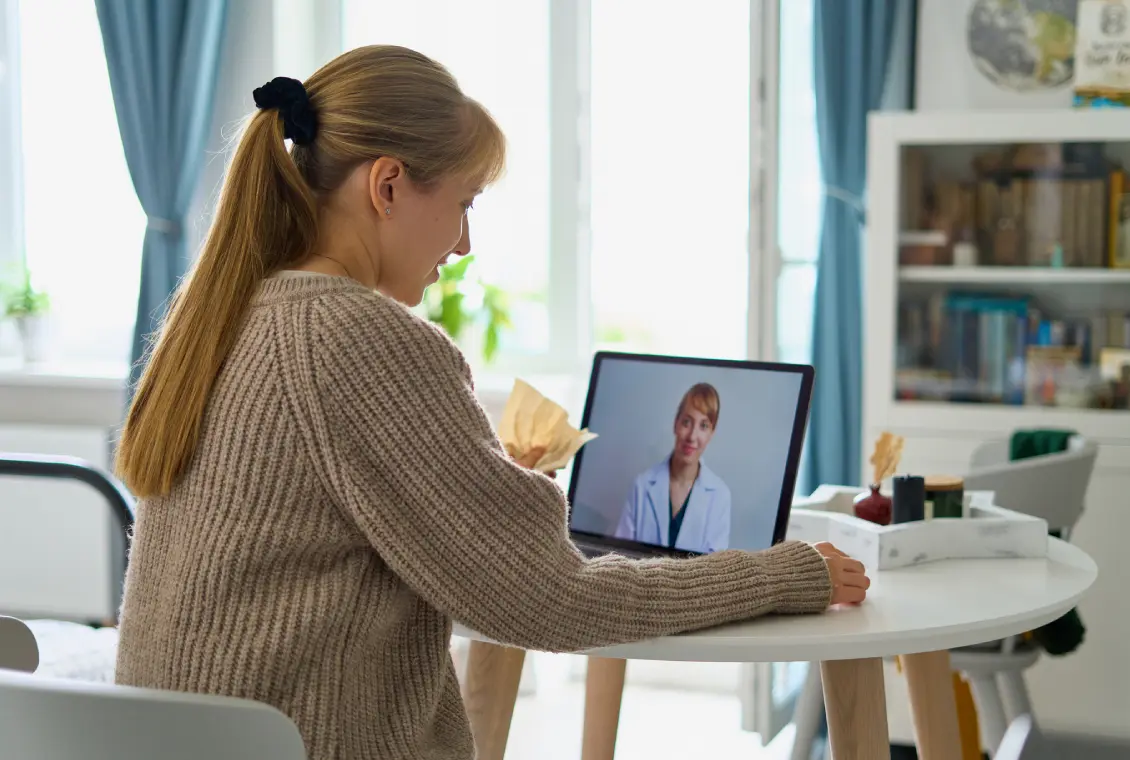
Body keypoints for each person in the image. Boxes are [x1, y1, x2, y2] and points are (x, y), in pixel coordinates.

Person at [112, 45, 869, 760]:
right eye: (464, 202)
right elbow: (552, 601)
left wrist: (487, 489)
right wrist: (783, 575)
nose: (464, 242)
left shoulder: (224, 317)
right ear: (387, 186)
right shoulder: (358, 337)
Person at [614, 383, 731, 552]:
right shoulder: (642, 486)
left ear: (711, 433)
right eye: (686, 422)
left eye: (704, 426)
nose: (692, 436)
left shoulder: (720, 496)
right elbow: (620, 556)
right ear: (676, 423)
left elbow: (715, 565)